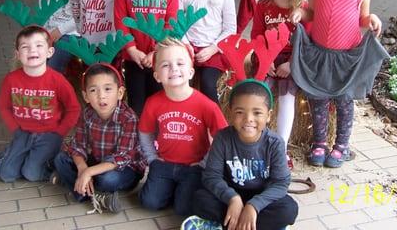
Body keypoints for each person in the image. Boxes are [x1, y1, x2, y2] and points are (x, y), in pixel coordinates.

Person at [290, 0, 387, 168]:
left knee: (344, 101)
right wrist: (301, 12)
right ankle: (319, 142)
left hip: (347, 56)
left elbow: (362, 19)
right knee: (319, 99)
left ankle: (341, 145)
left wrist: (372, 19)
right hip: (320, 53)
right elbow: (312, 12)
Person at [182, 80, 298, 230]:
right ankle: (245, 223)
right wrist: (233, 198)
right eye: (239, 112)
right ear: (231, 113)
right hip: (229, 194)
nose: (248, 119)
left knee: (289, 210)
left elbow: (281, 183)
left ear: (269, 115)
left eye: (257, 112)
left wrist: (254, 205)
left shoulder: (275, 143)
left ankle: (231, 224)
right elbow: (212, 176)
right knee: (200, 200)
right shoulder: (222, 138)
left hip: (261, 196)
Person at [138, 38, 228, 217]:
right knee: (149, 202)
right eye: (165, 65)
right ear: (156, 75)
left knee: (184, 210)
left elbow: (223, 137)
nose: (174, 69)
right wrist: (152, 158)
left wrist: (205, 162)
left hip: (193, 166)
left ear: (191, 72)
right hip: (163, 164)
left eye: (180, 63)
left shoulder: (206, 105)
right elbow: (145, 132)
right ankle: (171, 188)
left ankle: (182, 190)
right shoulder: (153, 103)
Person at [52, 63, 146, 213]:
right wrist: (83, 168)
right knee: (60, 159)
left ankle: (80, 187)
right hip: (98, 161)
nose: (101, 96)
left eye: (108, 89)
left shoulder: (129, 118)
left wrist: (88, 173)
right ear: (86, 96)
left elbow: (121, 159)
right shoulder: (87, 114)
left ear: (120, 92)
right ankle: (95, 195)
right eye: (93, 90)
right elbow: (78, 146)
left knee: (108, 180)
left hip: (125, 169)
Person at [0, 25, 81, 182]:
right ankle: (13, 155)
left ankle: (51, 163)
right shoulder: (11, 79)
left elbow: (73, 108)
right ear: (18, 54)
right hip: (23, 132)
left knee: (31, 174)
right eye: (25, 47)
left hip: (49, 134)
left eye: (39, 45)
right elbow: (4, 106)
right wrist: (15, 128)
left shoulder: (57, 80)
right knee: (6, 174)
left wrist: (60, 132)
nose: (32, 51)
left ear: (50, 52)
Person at [114, 0, 179, 116]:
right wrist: (131, 49)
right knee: (137, 105)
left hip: (161, 57)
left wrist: (156, 51)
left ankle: (157, 142)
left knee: (159, 102)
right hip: (133, 58)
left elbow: (170, 24)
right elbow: (120, 22)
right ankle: (138, 142)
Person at [251, 0, 306, 170]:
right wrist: (266, 58)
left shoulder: (299, 7)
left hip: (291, 60)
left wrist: (291, 64)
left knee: (287, 96)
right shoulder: (262, 5)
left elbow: (306, 41)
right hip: (267, 57)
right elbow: (256, 35)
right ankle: (255, 143)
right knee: (260, 94)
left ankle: (281, 149)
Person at [178, 0, 236, 103]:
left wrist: (212, 49)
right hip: (187, 48)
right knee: (180, 80)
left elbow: (230, 29)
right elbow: (177, 23)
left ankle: (215, 123)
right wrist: (186, 45)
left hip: (214, 50)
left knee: (207, 83)